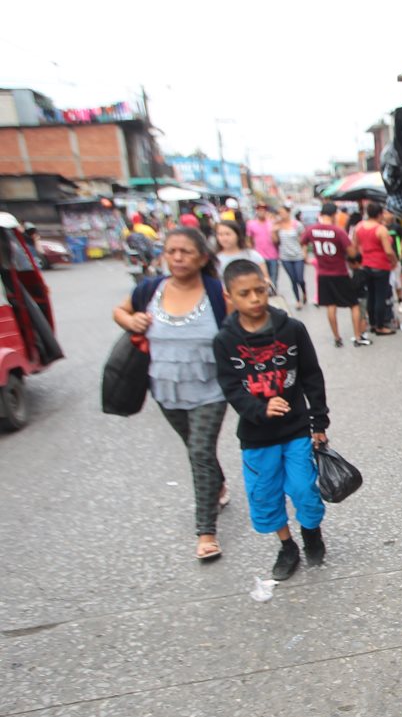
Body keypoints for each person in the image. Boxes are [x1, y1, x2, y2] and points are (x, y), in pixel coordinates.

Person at [111, 227, 231, 561]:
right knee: (196, 450)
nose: (177, 258)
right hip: (164, 389)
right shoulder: (149, 289)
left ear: (203, 257)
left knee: (199, 452)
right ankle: (217, 484)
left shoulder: (217, 292)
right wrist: (130, 320)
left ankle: (206, 531)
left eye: (186, 252)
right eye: (172, 251)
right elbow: (119, 311)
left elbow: (241, 324)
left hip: (211, 389)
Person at [213, 259, 331, 581]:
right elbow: (230, 386)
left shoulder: (292, 329)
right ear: (229, 296)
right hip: (256, 436)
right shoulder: (225, 341)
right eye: (245, 293)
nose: (255, 299)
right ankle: (287, 546)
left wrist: (318, 423)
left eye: (260, 290)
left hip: (296, 430)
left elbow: (311, 376)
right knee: (265, 494)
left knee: (304, 489)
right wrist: (257, 409)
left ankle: (311, 534)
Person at [302, 203, 369, 348]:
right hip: (340, 273)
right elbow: (351, 253)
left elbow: (303, 242)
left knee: (330, 306)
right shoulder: (338, 232)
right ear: (334, 215)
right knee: (354, 305)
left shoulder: (311, 230)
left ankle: (337, 338)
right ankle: (357, 336)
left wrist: (306, 257)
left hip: (323, 274)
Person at [355, 202, 398, 335]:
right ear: (379, 214)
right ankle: (380, 326)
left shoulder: (359, 227)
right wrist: (394, 261)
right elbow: (388, 251)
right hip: (380, 266)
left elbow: (355, 246)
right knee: (380, 297)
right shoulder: (381, 229)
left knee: (371, 296)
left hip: (366, 265)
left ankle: (372, 323)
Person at [273, 205, 307, 308]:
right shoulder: (278, 226)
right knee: (293, 279)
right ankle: (297, 300)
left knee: (300, 278)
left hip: (298, 256)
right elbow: (275, 242)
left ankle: (304, 293)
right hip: (285, 257)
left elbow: (304, 240)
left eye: (283, 212)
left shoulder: (297, 225)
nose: (281, 215)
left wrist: (304, 252)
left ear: (288, 212)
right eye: (279, 213)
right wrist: (273, 231)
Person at [245, 203, 280, 287]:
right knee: (261, 279)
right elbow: (249, 240)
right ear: (256, 211)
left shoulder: (272, 223)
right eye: (259, 210)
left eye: (263, 210)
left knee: (273, 279)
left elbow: (277, 241)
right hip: (259, 256)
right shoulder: (251, 224)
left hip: (273, 256)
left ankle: (273, 295)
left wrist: (273, 231)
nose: (261, 212)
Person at [382, 208, 402, 315]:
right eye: (386, 213)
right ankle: (389, 304)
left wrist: (400, 249)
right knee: (388, 284)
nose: (388, 215)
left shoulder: (396, 227)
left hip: (396, 258)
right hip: (384, 260)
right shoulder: (380, 228)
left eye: (390, 213)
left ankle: (401, 302)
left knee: (398, 282)